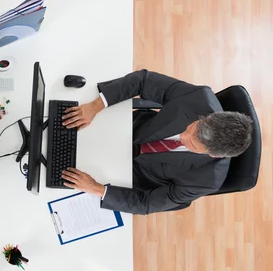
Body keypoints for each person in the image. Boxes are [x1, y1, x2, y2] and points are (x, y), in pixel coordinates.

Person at [60, 70, 253, 215]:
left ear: (214, 154)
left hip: (130, 174)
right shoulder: (199, 97)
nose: (183, 137)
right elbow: (143, 81)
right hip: (130, 128)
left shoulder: (206, 181)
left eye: (193, 144)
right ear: (211, 116)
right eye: (193, 126)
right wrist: (96, 106)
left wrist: (96, 188)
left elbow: (146, 204)